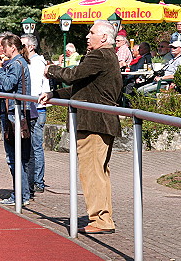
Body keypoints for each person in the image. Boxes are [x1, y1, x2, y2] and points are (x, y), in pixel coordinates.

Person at [39, 20, 122, 234]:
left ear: (104, 37)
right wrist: (53, 95)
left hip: (94, 122)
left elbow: (73, 75)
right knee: (98, 172)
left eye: (91, 32)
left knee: (92, 172)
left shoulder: (100, 55)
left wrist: (51, 69)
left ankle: (101, 220)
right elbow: (81, 88)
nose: (87, 36)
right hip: (100, 121)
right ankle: (103, 216)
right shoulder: (105, 57)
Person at [0, 34, 36, 205]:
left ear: (12, 47)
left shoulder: (15, 63)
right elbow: (4, 85)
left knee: (14, 157)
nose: (1, 51)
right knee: (18, 156)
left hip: (14, 113)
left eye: (3, 47)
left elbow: (8, 84)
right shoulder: (18, 63)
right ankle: (22, 194)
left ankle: (21, 195)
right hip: (14, 111)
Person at [21, 34, 50, 194]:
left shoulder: (37, 63)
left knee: (36, 146)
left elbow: (35, 87)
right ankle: (32, 180)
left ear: (31, 47)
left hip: (37, 108)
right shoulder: (28, 62)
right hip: (30, 106)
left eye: (23, 44)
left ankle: (38, 181)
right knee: (30, 146)